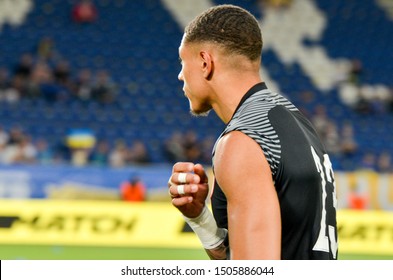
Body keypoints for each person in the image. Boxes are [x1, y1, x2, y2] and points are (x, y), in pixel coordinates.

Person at [167, 5, 338, 260]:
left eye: (183, 62)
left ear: (205, 62)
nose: (180, 75)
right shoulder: (295, 120)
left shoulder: (242, 141)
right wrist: (200, 218)